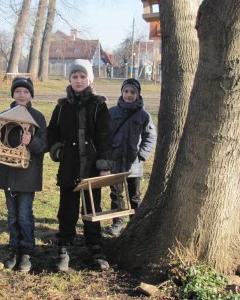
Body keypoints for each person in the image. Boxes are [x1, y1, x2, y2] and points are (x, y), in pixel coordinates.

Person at [47, 59, 113, 271]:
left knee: (92, 208)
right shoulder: (62, 107)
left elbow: (105, 137)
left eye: (82, 76)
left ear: (89, 79)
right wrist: (57, 150)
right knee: (67, 208)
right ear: (70, 79)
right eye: (75, 76)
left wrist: (104, 163)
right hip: (68, 166)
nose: (78, 80)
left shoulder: (98, 105)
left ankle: (95, 247)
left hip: (92, 166)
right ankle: (63, 247)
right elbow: (52, 132)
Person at [0, 76, 47, 273]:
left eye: (26, 92)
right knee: (12, 215)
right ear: (12, 94)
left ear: (31, 95)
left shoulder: (37, 117)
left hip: (27, 175)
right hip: (7, 173)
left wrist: (31, 141)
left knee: (24, 214)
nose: (21, 95)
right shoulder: (3, 115)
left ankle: (27, 251)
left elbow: (43, 146)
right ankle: (14, 249)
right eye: (18, 91)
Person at [105, 78, 157, 236]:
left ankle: (135, 223)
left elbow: (150, 136)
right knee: (116, 194)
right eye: (126, 91)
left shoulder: (143, 115)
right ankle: (118, 223)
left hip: (133, 164)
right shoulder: (112, 112)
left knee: (134, 195)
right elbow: (104, 135)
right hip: (114, 162)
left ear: (138, 94)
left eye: (133, 92)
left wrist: (141, 155)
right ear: (121, 93)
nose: (129, 95)